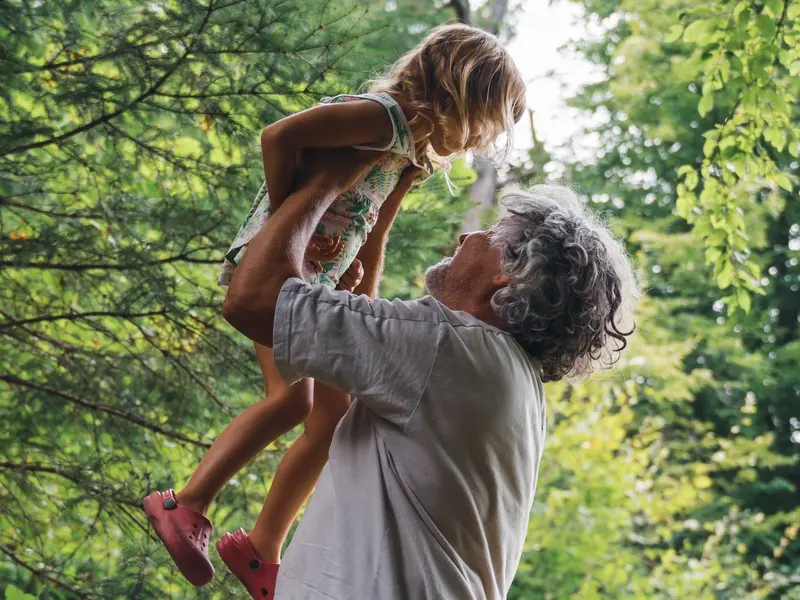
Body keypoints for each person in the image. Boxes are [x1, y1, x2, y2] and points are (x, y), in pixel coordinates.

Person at [143, 23, 527, 597]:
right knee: (291, 401)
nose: (476, 142)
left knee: (333, 416)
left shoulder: (408, 152)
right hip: (275, 268)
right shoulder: (380, 116)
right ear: (459, 91)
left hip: (317, 281)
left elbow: (373, 234)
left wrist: (362, 302)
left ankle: (261, 551)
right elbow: (279, 137)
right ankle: (186, 503)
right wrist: (284, 224)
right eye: (483, 124)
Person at [220, 167, 639, 598]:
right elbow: (374, 347)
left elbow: (251, 300)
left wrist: (328, 178)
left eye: (492, 231)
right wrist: (378, 217)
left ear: (511, 273)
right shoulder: (500, 374)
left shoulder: (450, 347)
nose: (467, 238)